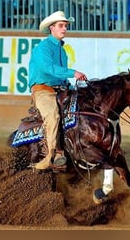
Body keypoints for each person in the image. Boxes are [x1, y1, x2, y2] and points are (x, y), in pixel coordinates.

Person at [28, 11, 87, 170]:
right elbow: (48, 68)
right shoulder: (42, 48)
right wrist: (72, 73)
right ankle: (52, 156)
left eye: (65, 25)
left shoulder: (62, 50)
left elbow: (59, 75)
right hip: (43, 90)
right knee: (53, 116)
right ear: (51, 28)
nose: (64, 28)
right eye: (61, 25)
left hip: (60, 88)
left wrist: (70, 84)